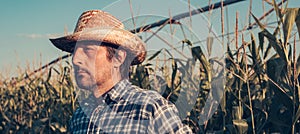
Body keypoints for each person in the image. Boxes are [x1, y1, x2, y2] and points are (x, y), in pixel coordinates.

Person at [50, 10, 192, 133]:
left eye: (88, 50)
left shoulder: (151, 108)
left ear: (118, 57)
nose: (75, 59)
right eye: (75, 51)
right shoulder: (80, 116)